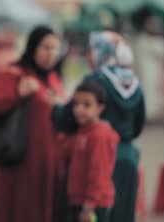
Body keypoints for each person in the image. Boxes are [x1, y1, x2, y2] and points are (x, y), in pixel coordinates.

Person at [53, 31, 145, 222]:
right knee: (122, 214)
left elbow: (67, 119)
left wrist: (55, 107)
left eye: (91, 50)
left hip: (95, 155)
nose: (88, 56)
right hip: (127, 156)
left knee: (96, 213)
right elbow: (138, 125)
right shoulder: (134, 82)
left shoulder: (94, 81)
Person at [0, 25, 65, 222]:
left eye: (54, 48)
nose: (51, 54)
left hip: (47, 163)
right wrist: (17, 93)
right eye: (45, 47)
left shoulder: (52, 78)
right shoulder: (15, 74)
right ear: (33, 47)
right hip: (19, 162)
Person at [67, 81, 119, 222]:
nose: (79, 109)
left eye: (86, 105)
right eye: (76, 104)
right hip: (80, 200)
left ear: (100, 108)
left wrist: (89, 206)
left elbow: (99, 173)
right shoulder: (82, 132)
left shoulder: (99, 136)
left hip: (94, 204)